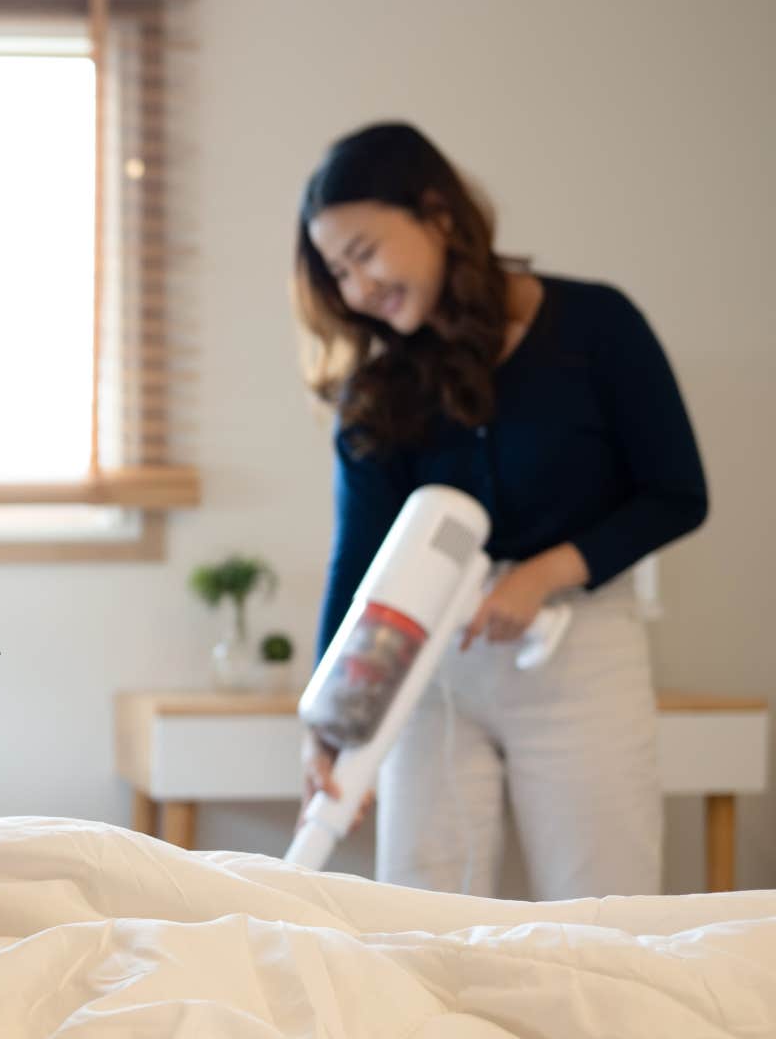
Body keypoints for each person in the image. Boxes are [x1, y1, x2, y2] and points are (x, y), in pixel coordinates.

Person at [291, 122, 707, 900]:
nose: (355, 289)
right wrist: (330, 717)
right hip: (429, 666)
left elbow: (677, 493)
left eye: (366, 253)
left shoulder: (598, 327)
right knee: (423, 906)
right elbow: (360, 562)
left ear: (438, 215)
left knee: (602, 906)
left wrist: (544, 573)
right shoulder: (380, 394)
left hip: (577, 650)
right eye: (338, 272)